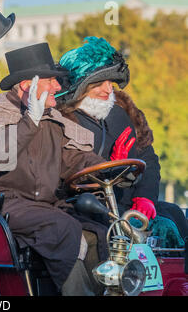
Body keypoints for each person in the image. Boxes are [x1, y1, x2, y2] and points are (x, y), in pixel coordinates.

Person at [0, 43, 135, 295]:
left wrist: (112, 171)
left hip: (43, 205)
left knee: (100, 231)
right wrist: (30, 121)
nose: (59, 88)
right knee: (62, 228)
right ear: (29, 85)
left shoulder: (53, 120)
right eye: (52, 81)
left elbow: (74, 161)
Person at [56, 36, 187, 248]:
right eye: (100, 83)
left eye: (111, 82)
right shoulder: (60, 122)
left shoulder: (121, 112)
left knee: (173, 215)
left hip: (129, 205)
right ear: (80, 86)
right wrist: (115, 171)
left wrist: (145, 198)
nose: (109, 90)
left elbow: (148, 157)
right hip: (88, 209)